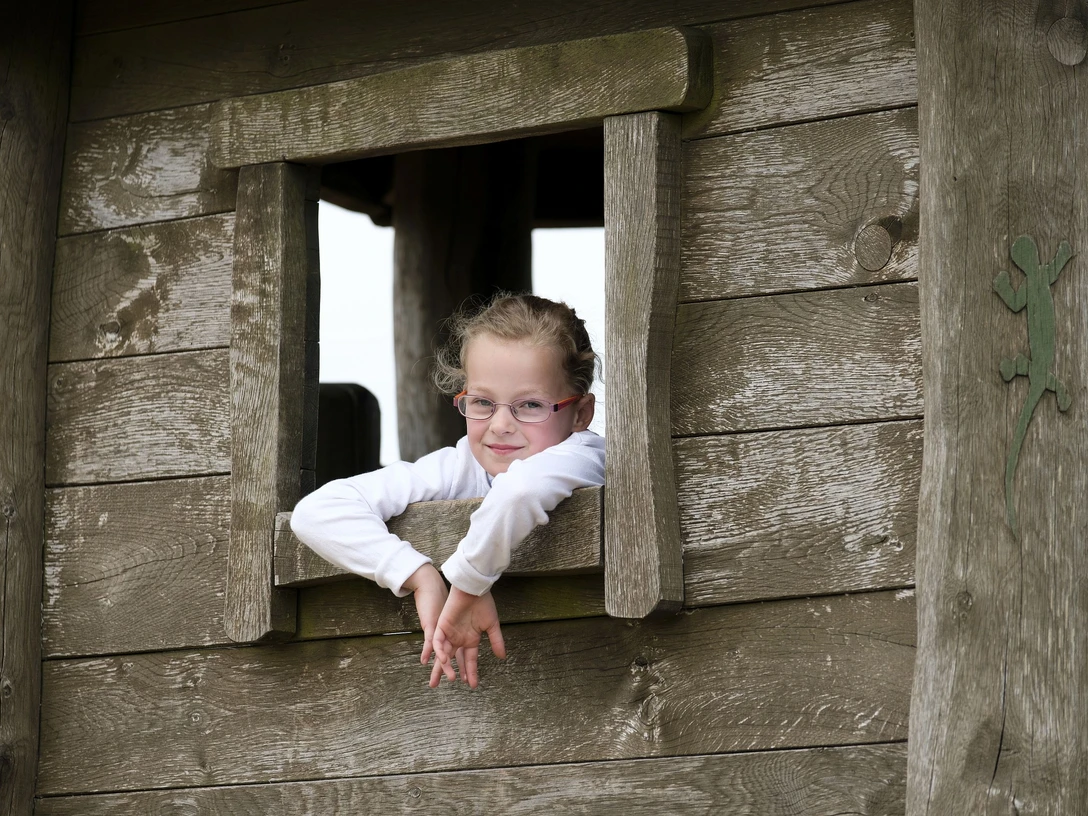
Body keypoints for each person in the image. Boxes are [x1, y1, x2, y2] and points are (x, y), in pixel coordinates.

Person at [290, 293, 605, 688]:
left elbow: (521, 491)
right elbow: (316, 513)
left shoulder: (587, 456)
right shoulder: (458, 464)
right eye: (482, 402)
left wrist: (468, 584)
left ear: (580, 413)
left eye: (529, 406)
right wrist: (419, 574)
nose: (501, 424)